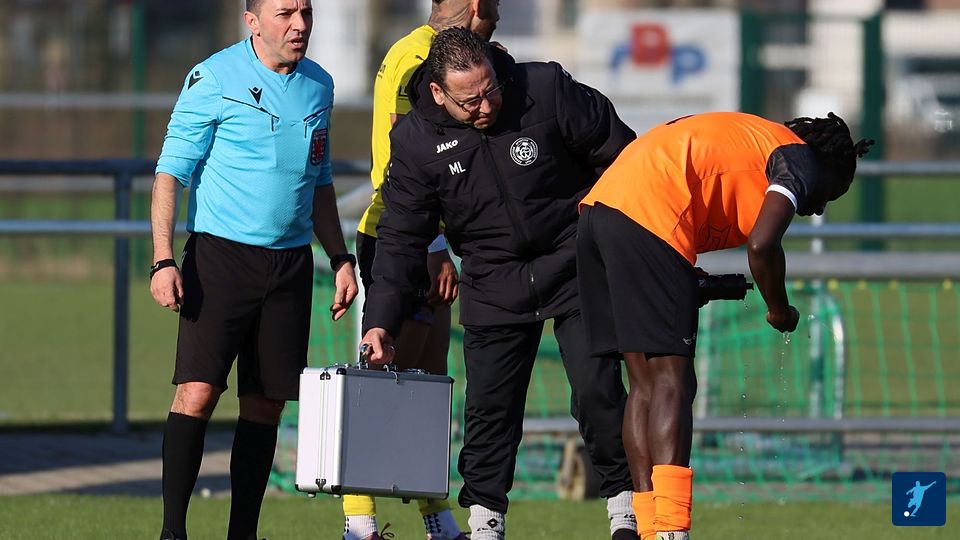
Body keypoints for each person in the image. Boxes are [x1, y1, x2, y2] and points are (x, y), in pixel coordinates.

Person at [360, 27, 638, 540]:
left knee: (598, 391)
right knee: (490, 410)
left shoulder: (547, 88)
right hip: (491, 279)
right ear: (439, 93)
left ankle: (626, 510)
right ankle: (486, 524)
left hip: (576, 264)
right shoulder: (416, 141)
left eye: (490, 90)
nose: (486, 106)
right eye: (470, 100)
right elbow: (399, 238)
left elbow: (625, 158)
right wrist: (379, 322)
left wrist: (613, 239)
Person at [576, 111, 874, 540]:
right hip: (648, 214)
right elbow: (763, 244)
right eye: (833, 191)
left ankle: (648, 527)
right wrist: (779, 309)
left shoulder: (757, 142)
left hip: (600, 211)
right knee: (673, 382)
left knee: (644, 384)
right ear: (826, 165)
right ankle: (671, 529)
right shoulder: (798, 156)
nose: (821, 206)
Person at [149, 1, 358, 539]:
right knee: (197, 392)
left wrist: (340, 257)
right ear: (253, 21)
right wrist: (163, 259)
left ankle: (242, 533)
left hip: (289, 266)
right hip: (219, 260)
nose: (300, 25)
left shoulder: (320, 85)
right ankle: (173, 532)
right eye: (285, 13)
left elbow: (319, 179)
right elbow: (170, 173)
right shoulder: (213, 77)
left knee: (266, 405)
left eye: (306, 12)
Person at [345, 3, 501, 540]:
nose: (498, 16)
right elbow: (405, 157)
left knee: (428, 386)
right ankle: (359, 520)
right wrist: (434, 244)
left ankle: (436, 517)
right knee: (385, 382)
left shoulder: (416, 48)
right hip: (402, 237)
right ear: (477, 6)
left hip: (425, 238)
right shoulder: (419, 58)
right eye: (496, 6)